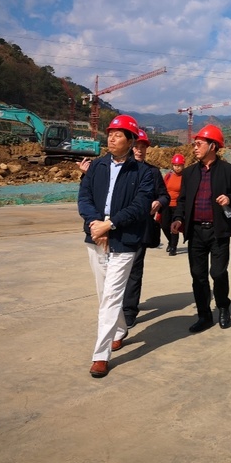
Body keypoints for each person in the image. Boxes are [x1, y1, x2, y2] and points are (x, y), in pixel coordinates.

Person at [77, 115, 155, 378]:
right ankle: (120, 329)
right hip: (96, 236)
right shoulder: (97, 167)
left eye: (118, 134)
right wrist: (94, 224)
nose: (111, 138)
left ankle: (100, 355)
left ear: (131, 141)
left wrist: (109, 225)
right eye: (110, 133)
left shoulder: (143, 173)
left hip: (124, 239)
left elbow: (140, 206)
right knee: (104, 294)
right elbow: (84, 196)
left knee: (111, 296)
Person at [170, 125, 231, 333]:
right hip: (195, 231)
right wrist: (178, 219)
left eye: (199, 144)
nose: (195, 148)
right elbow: (182, 200)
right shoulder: (189, 173)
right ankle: (204, 315)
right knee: (198, 275)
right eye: (195, 144)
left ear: (213, 146)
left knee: (218, 273)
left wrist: (229, 198)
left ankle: (223, 306)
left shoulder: (228, 171)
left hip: (218, 231)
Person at [122, 128, 169, 329]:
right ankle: (117, 305)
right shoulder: (121, 169)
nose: (139, 150)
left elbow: (164, 195)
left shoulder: (153, 172)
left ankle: (129, 311)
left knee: (134, 270)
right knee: (117, 270)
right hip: (120, 226)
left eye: (143, 147)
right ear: (130, 147)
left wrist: (159, 202)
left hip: (141, 228)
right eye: (136, 146)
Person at [161, 153, 185, 256]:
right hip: (167, 205)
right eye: (175, 165)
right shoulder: (168, 176)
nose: (177, 167)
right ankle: (170, 241)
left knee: (174, 226)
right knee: (164, 225)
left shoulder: (185, 177)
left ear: (183, 165)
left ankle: (173, 247)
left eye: (179, 165)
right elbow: (163, 188)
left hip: (178, 206)